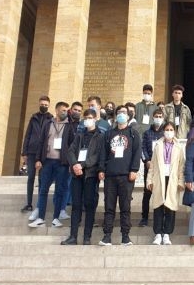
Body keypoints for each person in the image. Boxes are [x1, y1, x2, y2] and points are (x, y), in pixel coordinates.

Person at [98, 105, 142, 246]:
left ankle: (125, 236)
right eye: (119, 113)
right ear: (116, 116)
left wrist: (134, 170)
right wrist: (101, 169)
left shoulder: (134, 134)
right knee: (109, 207)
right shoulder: (109, 134)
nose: (122, 115)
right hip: (110, 175)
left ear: (128, 116)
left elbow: (137, 153)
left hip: (126, 176)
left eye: (124, 113)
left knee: (125, 207)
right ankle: (107, 236)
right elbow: (103, 152)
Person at [28, 102, 75, 228]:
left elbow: (72, 145)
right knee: (43, 190)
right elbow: (41, 142)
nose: (65, 112)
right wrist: (38, 159)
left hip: (62, 164)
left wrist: (71, 163)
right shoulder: (48, 124)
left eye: (66, 110)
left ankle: (55, 218)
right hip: (47, 161)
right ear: (57, 110)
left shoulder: (69, 127)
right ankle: (40, 218)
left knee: (60, 190)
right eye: (63, 110)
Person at [62, 109, 105, 245]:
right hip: (77, 175)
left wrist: (83, 165)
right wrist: (75, 164)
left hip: (90, 175)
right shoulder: (79, 135)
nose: (88, 120)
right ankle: (73, 236)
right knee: (76, 206)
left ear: (96, 119)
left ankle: (87, 237)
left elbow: (97, 156)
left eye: (90, 117)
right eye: (86, 117)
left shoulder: (100, 136)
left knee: (89, 205)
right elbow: (71, 151)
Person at [147, 122, 185, 245]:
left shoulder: (178, 147)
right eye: (167, 129)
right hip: (159, 178)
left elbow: (181, 166)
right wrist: (149, 180)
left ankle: (167, 233)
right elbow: (152, 165)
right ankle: (158, 233)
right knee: (158, 205)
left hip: (172, 179)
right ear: (163, 131)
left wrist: (180, 181)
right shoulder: (158, 145)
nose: (169, 132)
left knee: (170, 206)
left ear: (174, 131)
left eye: (171, 129)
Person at [20, 96, 53, 212]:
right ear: (39, 104)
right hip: (32, 151)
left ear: (49, 105)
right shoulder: (33, 118)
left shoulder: (51, 119)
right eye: (42, 104)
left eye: (46, 104)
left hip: (44, 152)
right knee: (30, 177)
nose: (44, 106)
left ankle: (40, 204)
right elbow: (28, 135)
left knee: (42, 179)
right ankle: (29, 203)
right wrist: (24, 151)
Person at [139, 109, 166, 227]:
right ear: (152, 117)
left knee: (161, 192)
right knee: (147, 192)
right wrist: (146, 160)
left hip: (162, 168)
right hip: (150, 167)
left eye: (160, 116)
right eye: (156, 116)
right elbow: (142, 148)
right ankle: (144, 217)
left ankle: (160, 217)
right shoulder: (146, 133)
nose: (158, 118)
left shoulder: (165, 133)